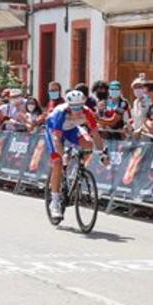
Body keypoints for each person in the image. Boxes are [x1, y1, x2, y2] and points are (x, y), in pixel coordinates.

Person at [45, 90, 109, 219]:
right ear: (68, 105)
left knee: (89, 144)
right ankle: (55, 202)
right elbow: (57, 139)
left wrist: (102, 154)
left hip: (71, 129)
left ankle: (77, 170)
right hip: (54, 130)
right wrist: (60, 154)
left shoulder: (87, 112)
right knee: (57, 162)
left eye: (80, 106)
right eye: (74, 107)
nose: (77, 109)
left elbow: (96, 134)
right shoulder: (60, 112)